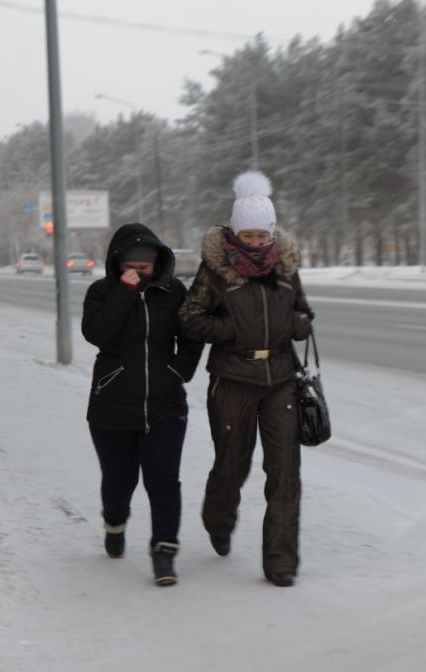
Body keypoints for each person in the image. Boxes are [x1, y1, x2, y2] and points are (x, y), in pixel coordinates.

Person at [179, 171, 314, 587]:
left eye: (262, 235)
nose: (256, 243)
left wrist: (298, 323)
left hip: (281, 381)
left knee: (285, 472)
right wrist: (233, 332)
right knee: (231, 465)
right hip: (233, 379)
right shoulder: (216, 271)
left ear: (272, 233)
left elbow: (304, 313)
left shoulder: (286, 268)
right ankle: (218, 519)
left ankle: (281, 562)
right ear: (236, 234)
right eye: (249, 235)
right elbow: (190, 319)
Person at [81, 223, 203, 586]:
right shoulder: (102, 292)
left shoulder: (173, 292)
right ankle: (114, 522)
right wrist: (124, 292)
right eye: (129, 265)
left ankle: (164, 551)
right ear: (116, 263)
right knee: (119, 480)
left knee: (164, 481)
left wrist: (178, 372)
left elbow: (192, 337)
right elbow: (97, 334)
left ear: (158, 261)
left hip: (166, 405)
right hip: (112, 405)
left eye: (144, 265)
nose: (137, 271)